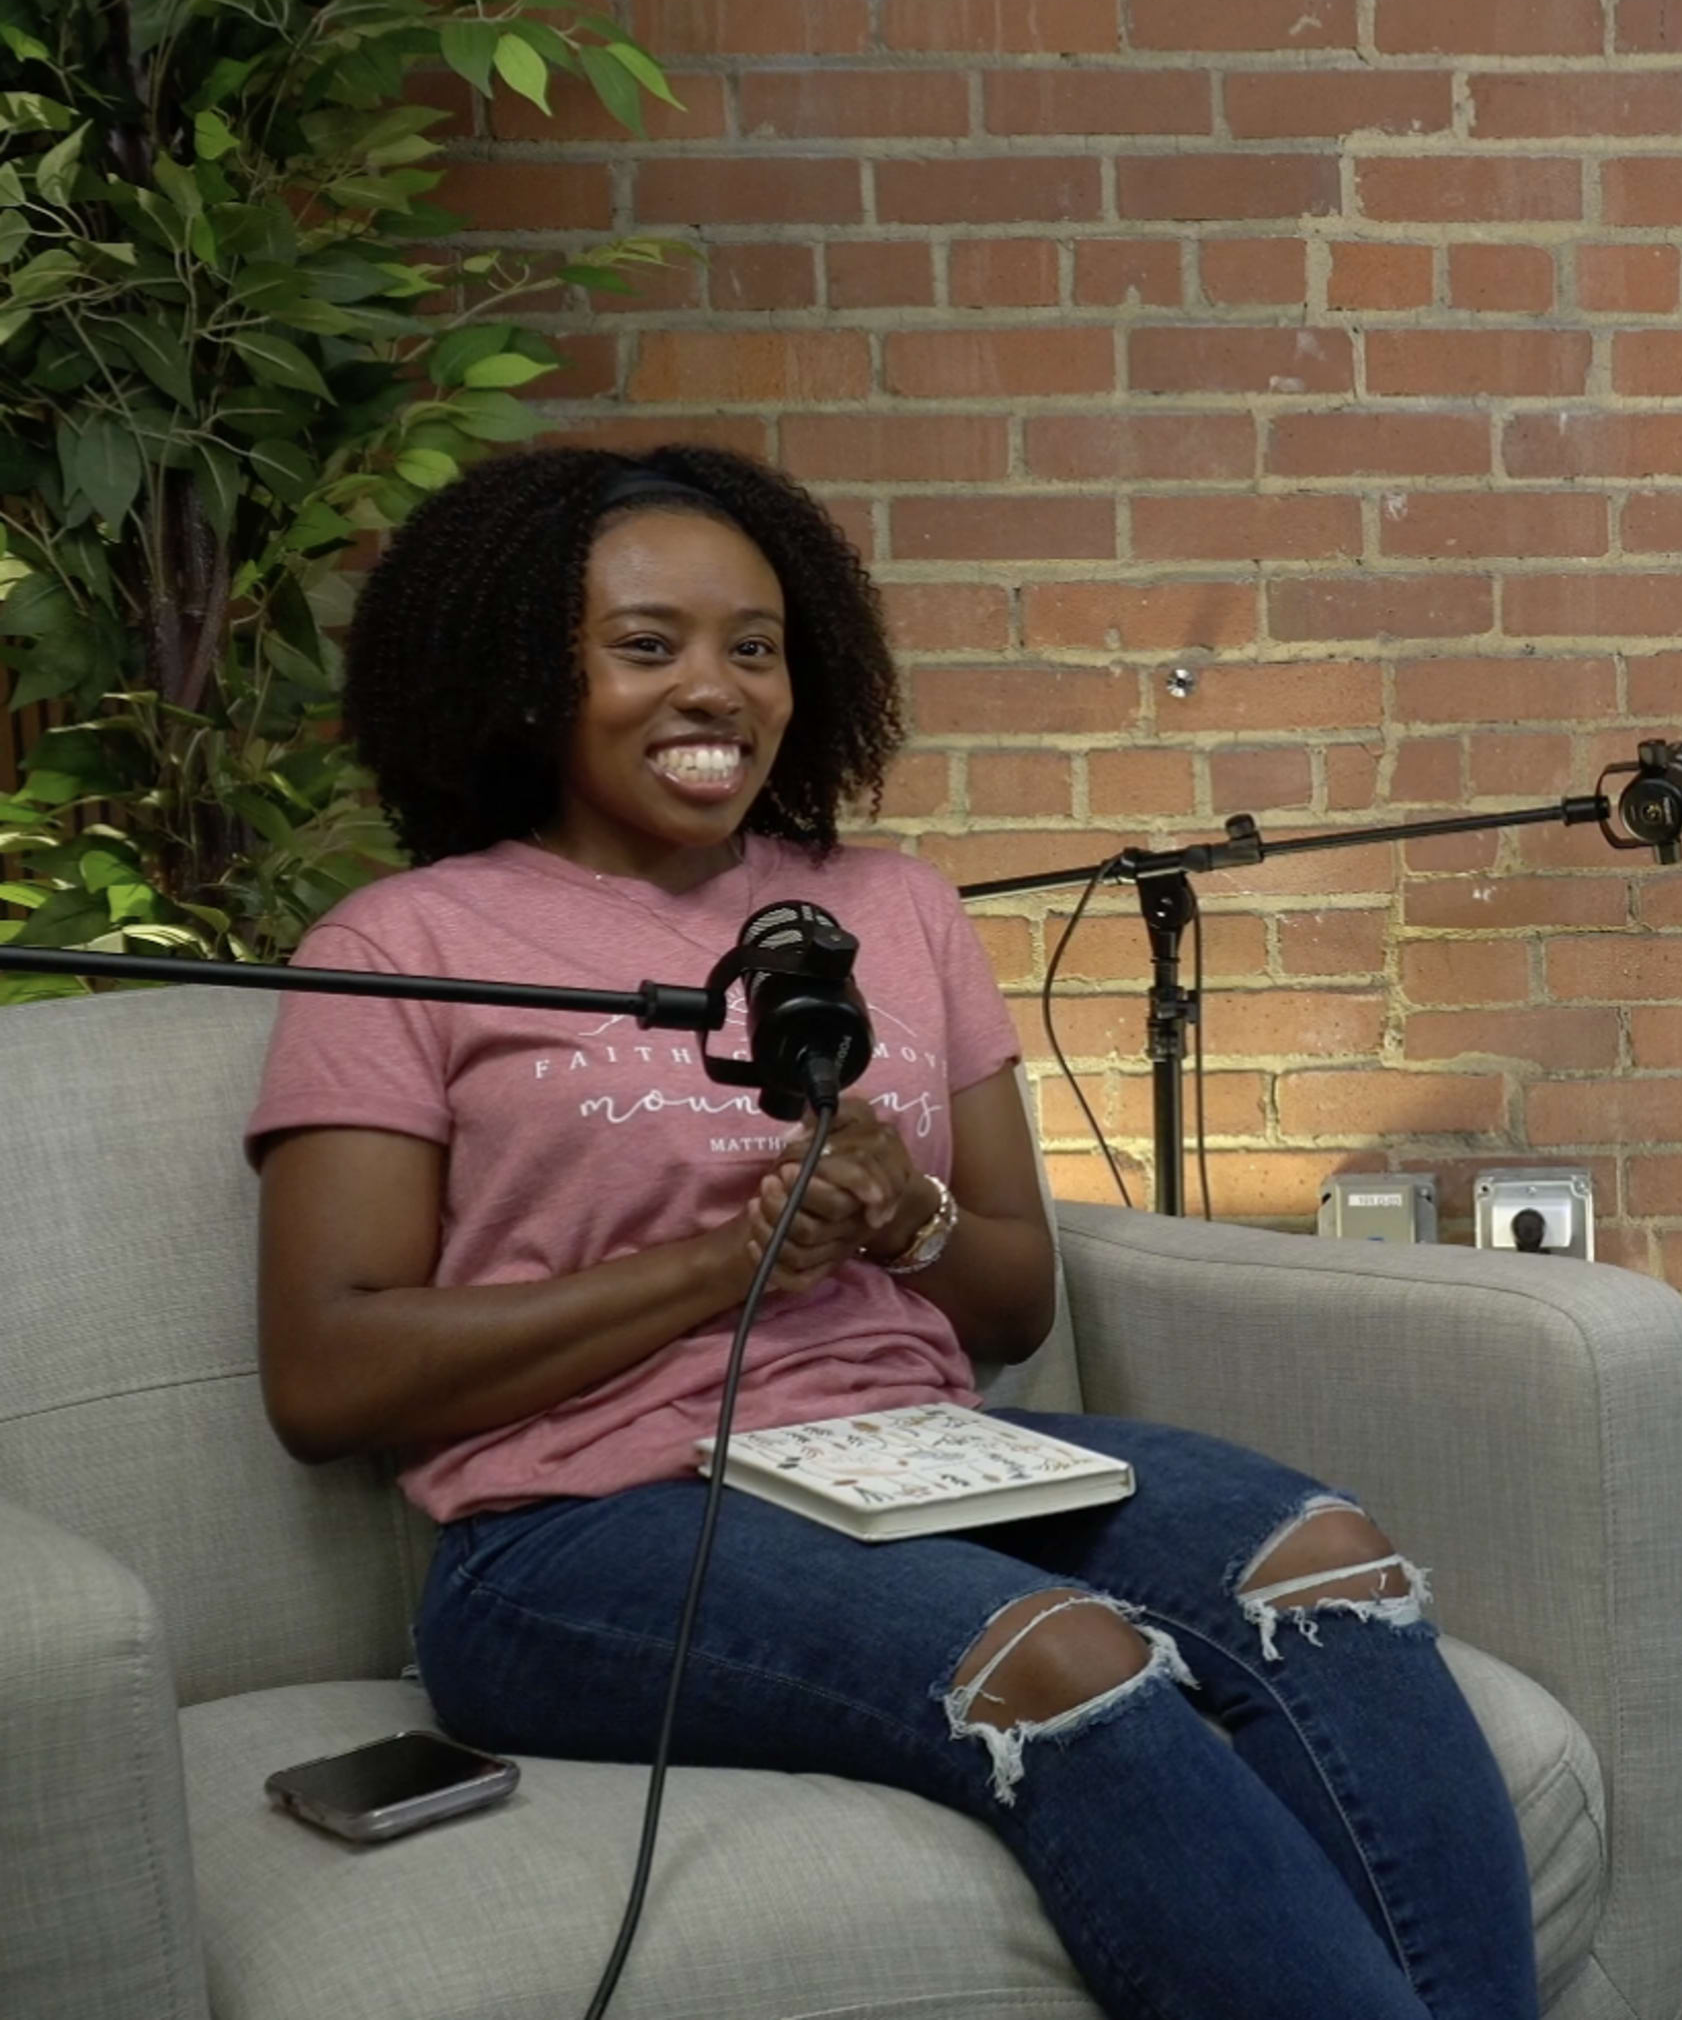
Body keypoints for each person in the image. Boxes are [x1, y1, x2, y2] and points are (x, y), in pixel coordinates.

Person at [246, 445, 1538, 2020]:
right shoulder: (409, 944)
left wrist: (905, 1214)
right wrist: (724, 1266)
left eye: (756, 646)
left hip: (917, 1462)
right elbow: (326, 1372)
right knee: (1054, 1665)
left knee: (1331, 1562)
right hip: (578, 1532)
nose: (714, 688)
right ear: (526, 668)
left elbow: (1009, 1299)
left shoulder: (894, 908)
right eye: (645, 646)